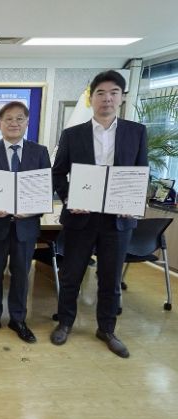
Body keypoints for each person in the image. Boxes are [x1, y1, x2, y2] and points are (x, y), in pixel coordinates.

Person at [50, 70, 148, 358]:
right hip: (81, 218)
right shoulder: (72, 134)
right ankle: (65, 323)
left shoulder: (136, 132)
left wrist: (132, 201)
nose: (107, 98)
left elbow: (141, 172)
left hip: (117, 220)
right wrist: (69, 198)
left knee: (110, 278)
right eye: (101, 93)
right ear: (91, 98)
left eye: (113, 93)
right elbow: (58, 174)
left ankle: (107, 329)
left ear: (121, 98)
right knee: (71, 275)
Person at [0, 101, 51, 343]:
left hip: (25, 226)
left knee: (21, 274)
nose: (14, 123)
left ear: (27, 122)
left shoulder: (39, 152)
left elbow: (45, 187)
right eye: (8, 119)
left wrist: (33, 210)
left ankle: (18, 319)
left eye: (19, 119)